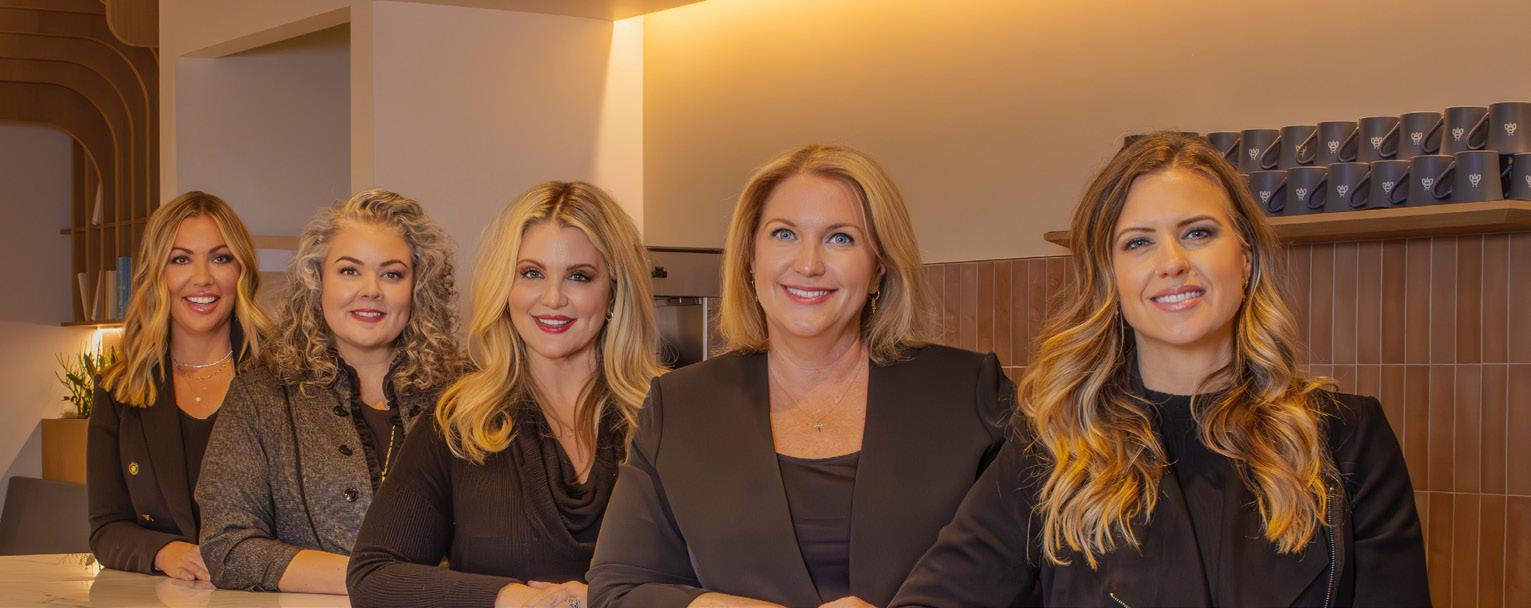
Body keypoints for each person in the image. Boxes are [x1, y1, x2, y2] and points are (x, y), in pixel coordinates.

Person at [890, 132, 1429, 607]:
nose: (1171, 262)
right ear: (1111, 278)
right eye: (1139, 242)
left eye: (1198, 233)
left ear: (1244, 258)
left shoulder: (1346, 437)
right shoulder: (1053, 447)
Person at [588, 145, 1012, 608]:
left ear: (879, 267)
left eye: (841, 238)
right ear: (751, 258)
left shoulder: (970, 391)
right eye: (784, 234)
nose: (808, 264)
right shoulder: (680, 405)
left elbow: (1035, 578)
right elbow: (620, 590)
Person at [346, 182, 663, 608]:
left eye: (579, 276)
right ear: (505, 287)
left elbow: (724, 578)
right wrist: (510, 598)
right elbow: (373, 576)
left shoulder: (669, 418)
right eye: (531, 273)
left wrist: (608, 601)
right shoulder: (460, 422)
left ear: (614, 293)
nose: (552, 298)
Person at [196, 189, 463, 594]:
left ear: (418, 288)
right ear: (317, 281)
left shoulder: (466, 396)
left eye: (392, 274)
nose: (371, 290)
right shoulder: (261, 395)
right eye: (349, 271)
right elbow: (228, 547)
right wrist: (383, 582)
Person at [88, 192, 271, 580]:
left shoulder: (284, 378)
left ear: (241, 271)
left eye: (220, 258)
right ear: (157, 273)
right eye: (180, 259)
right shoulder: (119, 391)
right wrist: (166, 552)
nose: (202, 278)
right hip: (167, 598)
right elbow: (106, 528)